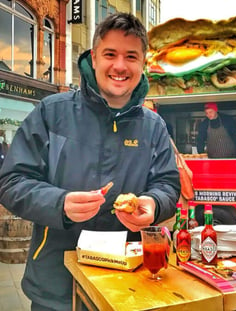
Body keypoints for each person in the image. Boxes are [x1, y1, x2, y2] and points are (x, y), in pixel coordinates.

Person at [0, 13, 180, 311]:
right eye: (110, 54)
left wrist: (153, 204)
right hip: (56, 287)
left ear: (142, 64)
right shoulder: (51, 112)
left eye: (131, 56)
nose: (120, 66)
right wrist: (60, 204)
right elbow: (11, 181)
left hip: (130, 285)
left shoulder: (154, 126)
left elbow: (167, 184)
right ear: (94, 57)